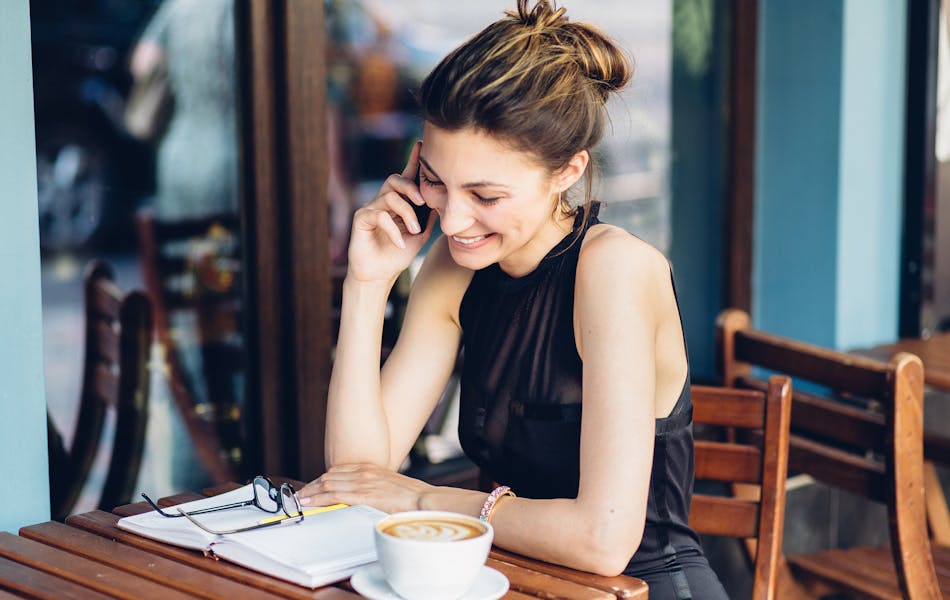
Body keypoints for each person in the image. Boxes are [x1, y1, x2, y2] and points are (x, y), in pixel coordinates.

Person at [298, 1, 728, 597]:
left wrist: (423, 497)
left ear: (568, 172)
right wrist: (367, 283)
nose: (452, 221)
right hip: (511, 580)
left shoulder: (614, 270)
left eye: (486, 195)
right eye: (436, 182)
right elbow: (354, 474)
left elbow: (603, 541)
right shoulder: (456, 263)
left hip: (643, 588)